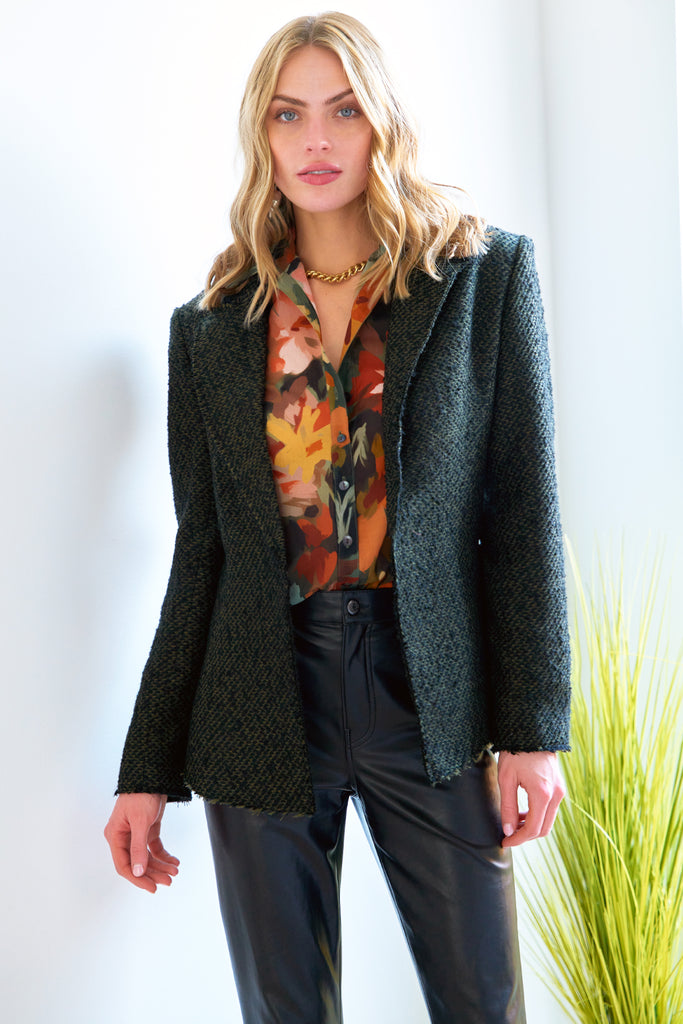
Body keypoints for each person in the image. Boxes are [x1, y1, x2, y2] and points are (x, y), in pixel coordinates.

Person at [104, 12, 571, 1023]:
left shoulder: (481, 277)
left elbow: (523, 514)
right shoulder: (211, 327)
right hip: (261, 697)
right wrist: (145, 771)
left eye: (342, 111)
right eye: (288, 115)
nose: (315, 140)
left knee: (482, 1002)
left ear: (381, 123)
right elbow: (202, 552)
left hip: (427, 693)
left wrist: (533, 730)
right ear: (261, 134)